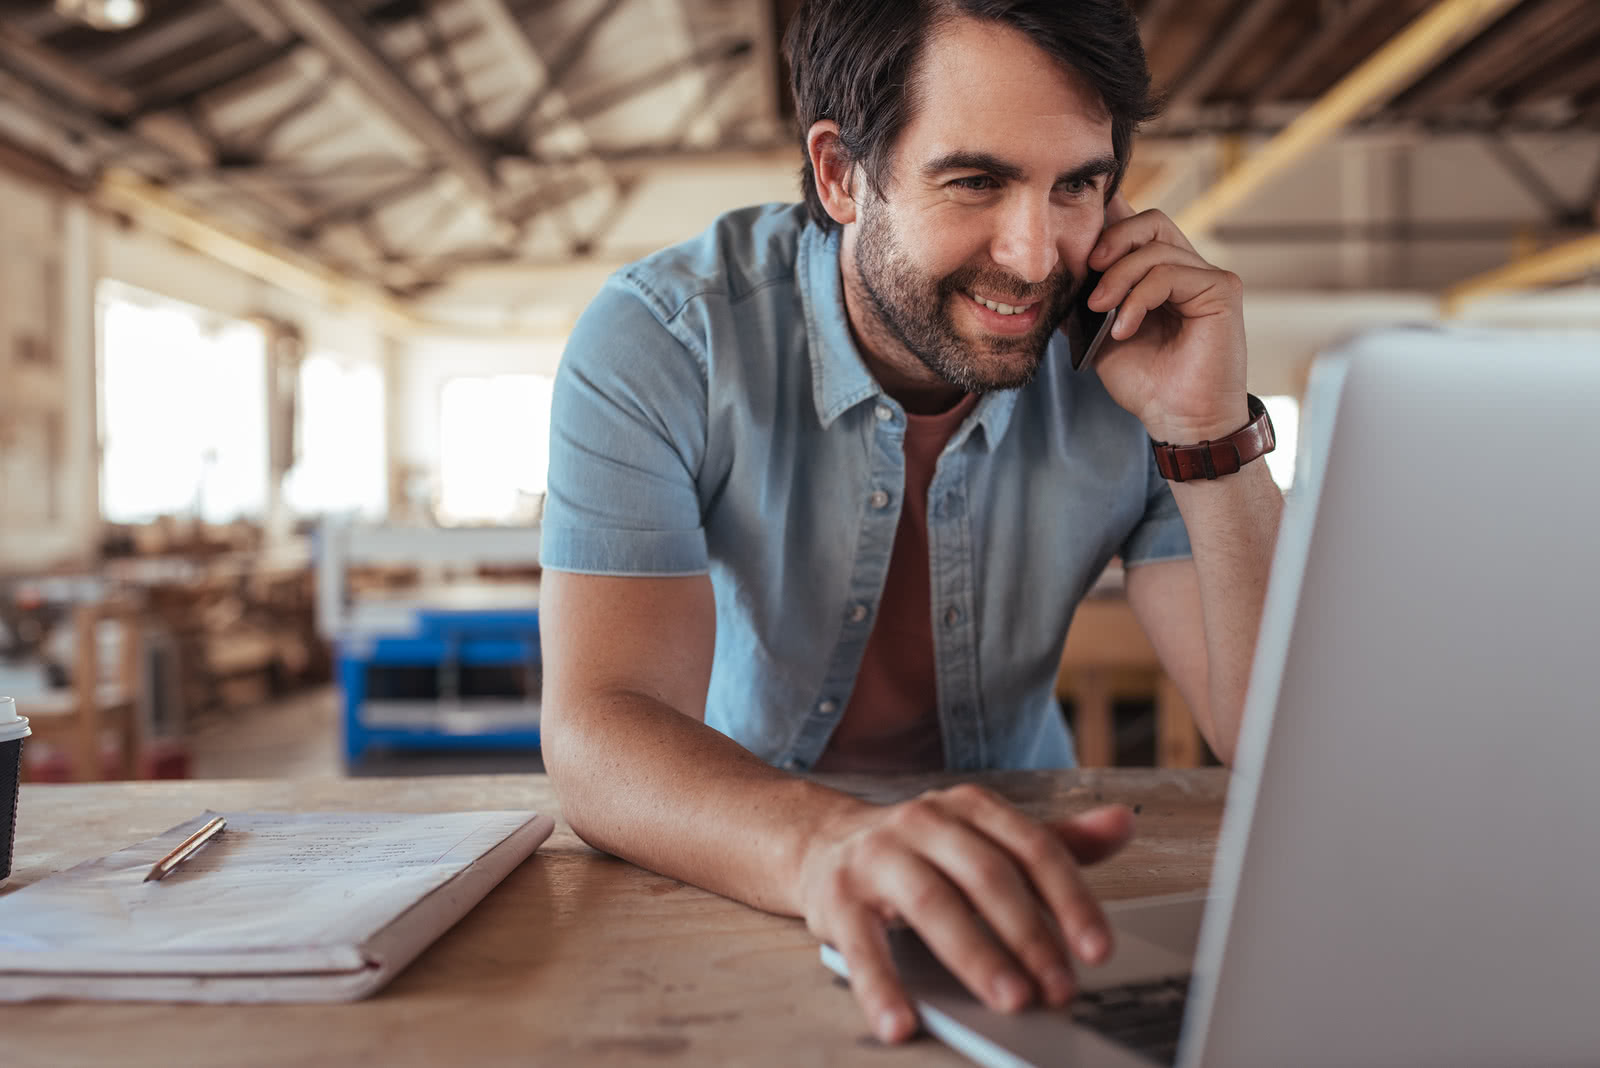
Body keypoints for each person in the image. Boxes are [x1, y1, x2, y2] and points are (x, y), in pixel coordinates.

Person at [538, 0, 1283, 1044]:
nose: (1035, 257)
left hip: (1046, 874)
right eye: (975, 181)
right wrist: (825, 847)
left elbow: (1275, 732)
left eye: (1077, 184)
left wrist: (1206, 427)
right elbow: (596, 730)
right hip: (742, 854)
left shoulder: (1135, 357)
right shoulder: (665, 340)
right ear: (843, 174)